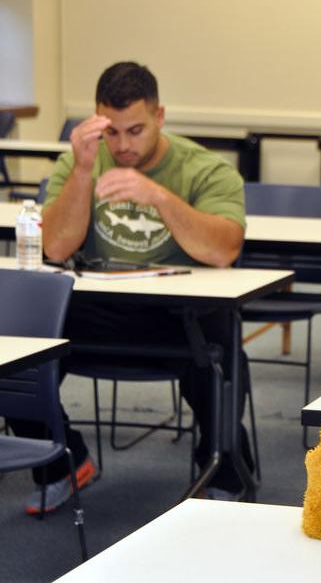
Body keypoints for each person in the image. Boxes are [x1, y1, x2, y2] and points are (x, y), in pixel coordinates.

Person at [7, 61, 253, 513]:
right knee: (18, 337)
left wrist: (158, 196)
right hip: (97, 312)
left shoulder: (204, 169)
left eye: (136, 131)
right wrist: (83, 171)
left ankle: (222, 470)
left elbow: (223, 251)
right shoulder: (80, 161)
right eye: (111, 132)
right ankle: (62, 463)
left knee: (220, 339)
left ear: (160, 116)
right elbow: (57, 248)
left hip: (178, 315)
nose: (122, 146)